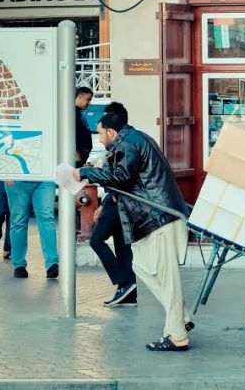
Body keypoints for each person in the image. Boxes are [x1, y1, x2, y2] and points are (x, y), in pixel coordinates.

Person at [77, 112, 193, 351]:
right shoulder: (137, 139)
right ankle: (181, 316)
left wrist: (85, 172)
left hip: (160, 217)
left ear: (111, 132)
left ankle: (177, 335)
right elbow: (126, 178)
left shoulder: (128, 143)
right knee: (140, 266)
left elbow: (121, 177)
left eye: (100, 133)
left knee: (166, 278)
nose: (99, 139)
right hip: (159, 216)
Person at [90, 101, 138, 307]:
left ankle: (122, 282)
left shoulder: (123, 143)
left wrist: (106, 202)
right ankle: (128, 292)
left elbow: (119, 178)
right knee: (122, 245)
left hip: (118, 201)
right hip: (122, 202)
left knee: (96, 240)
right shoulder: (129, 140)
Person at [4, 179, 58, 280]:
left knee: (47, 218)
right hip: (17, 180)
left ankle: (52, 263)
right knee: (18, 221)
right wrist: (6, 172)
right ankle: (19, 264)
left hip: (45, 179)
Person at [75, 86, 94, 167]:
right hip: (77, 158)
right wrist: (76, 154)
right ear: (80, 96)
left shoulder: (79, 112)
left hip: (82, 157)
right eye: (88, 99)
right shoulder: (72, 114)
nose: (89, 103)